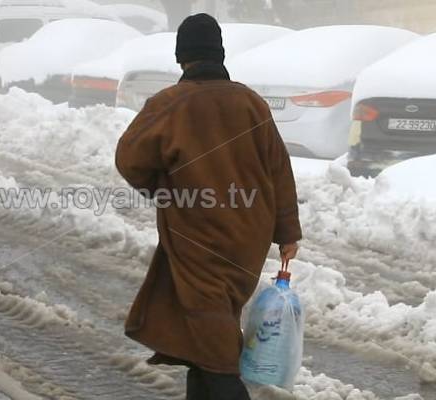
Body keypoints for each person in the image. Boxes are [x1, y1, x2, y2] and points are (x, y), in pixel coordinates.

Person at [115, 13, 302, 400]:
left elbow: (129, 158)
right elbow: (279, 169)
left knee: (215, 345)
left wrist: (163, 188)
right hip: (248, 237)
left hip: (196, 236)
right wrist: (287, 233)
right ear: (219, 53)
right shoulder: (251, 103)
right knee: (205, 330)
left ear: (182, 57)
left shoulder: (170, 103)